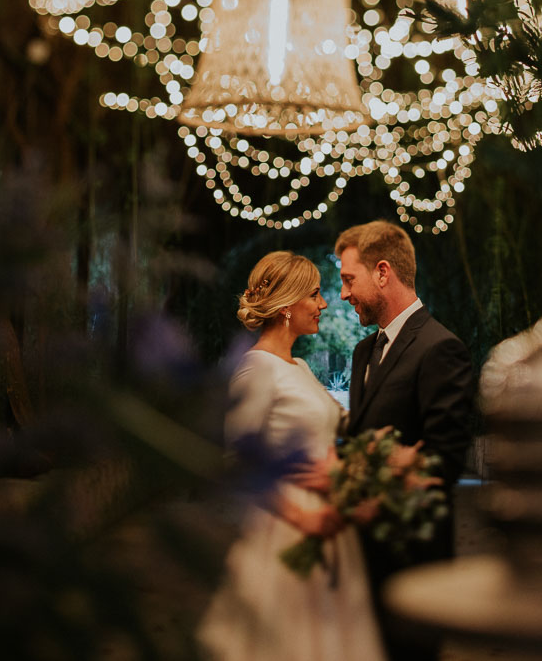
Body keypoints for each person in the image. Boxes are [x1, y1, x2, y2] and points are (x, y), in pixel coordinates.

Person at [198, 250, 386, 661]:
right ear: (287, 306)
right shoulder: (255, 368)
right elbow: (238, 463)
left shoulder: (299, 366)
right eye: (315, 295)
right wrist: (303, 517)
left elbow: (323, 443)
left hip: (328, 524)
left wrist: (351, 490)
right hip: (284, 528)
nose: (323, 304)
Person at [335, 220, 475, 661]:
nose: (343, 294)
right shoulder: (363, 352)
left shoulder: (440, 348)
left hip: (411, 559)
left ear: (382, 273)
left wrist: (389, 465)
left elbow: (446, 462)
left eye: (347, 279)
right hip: (361, 554)